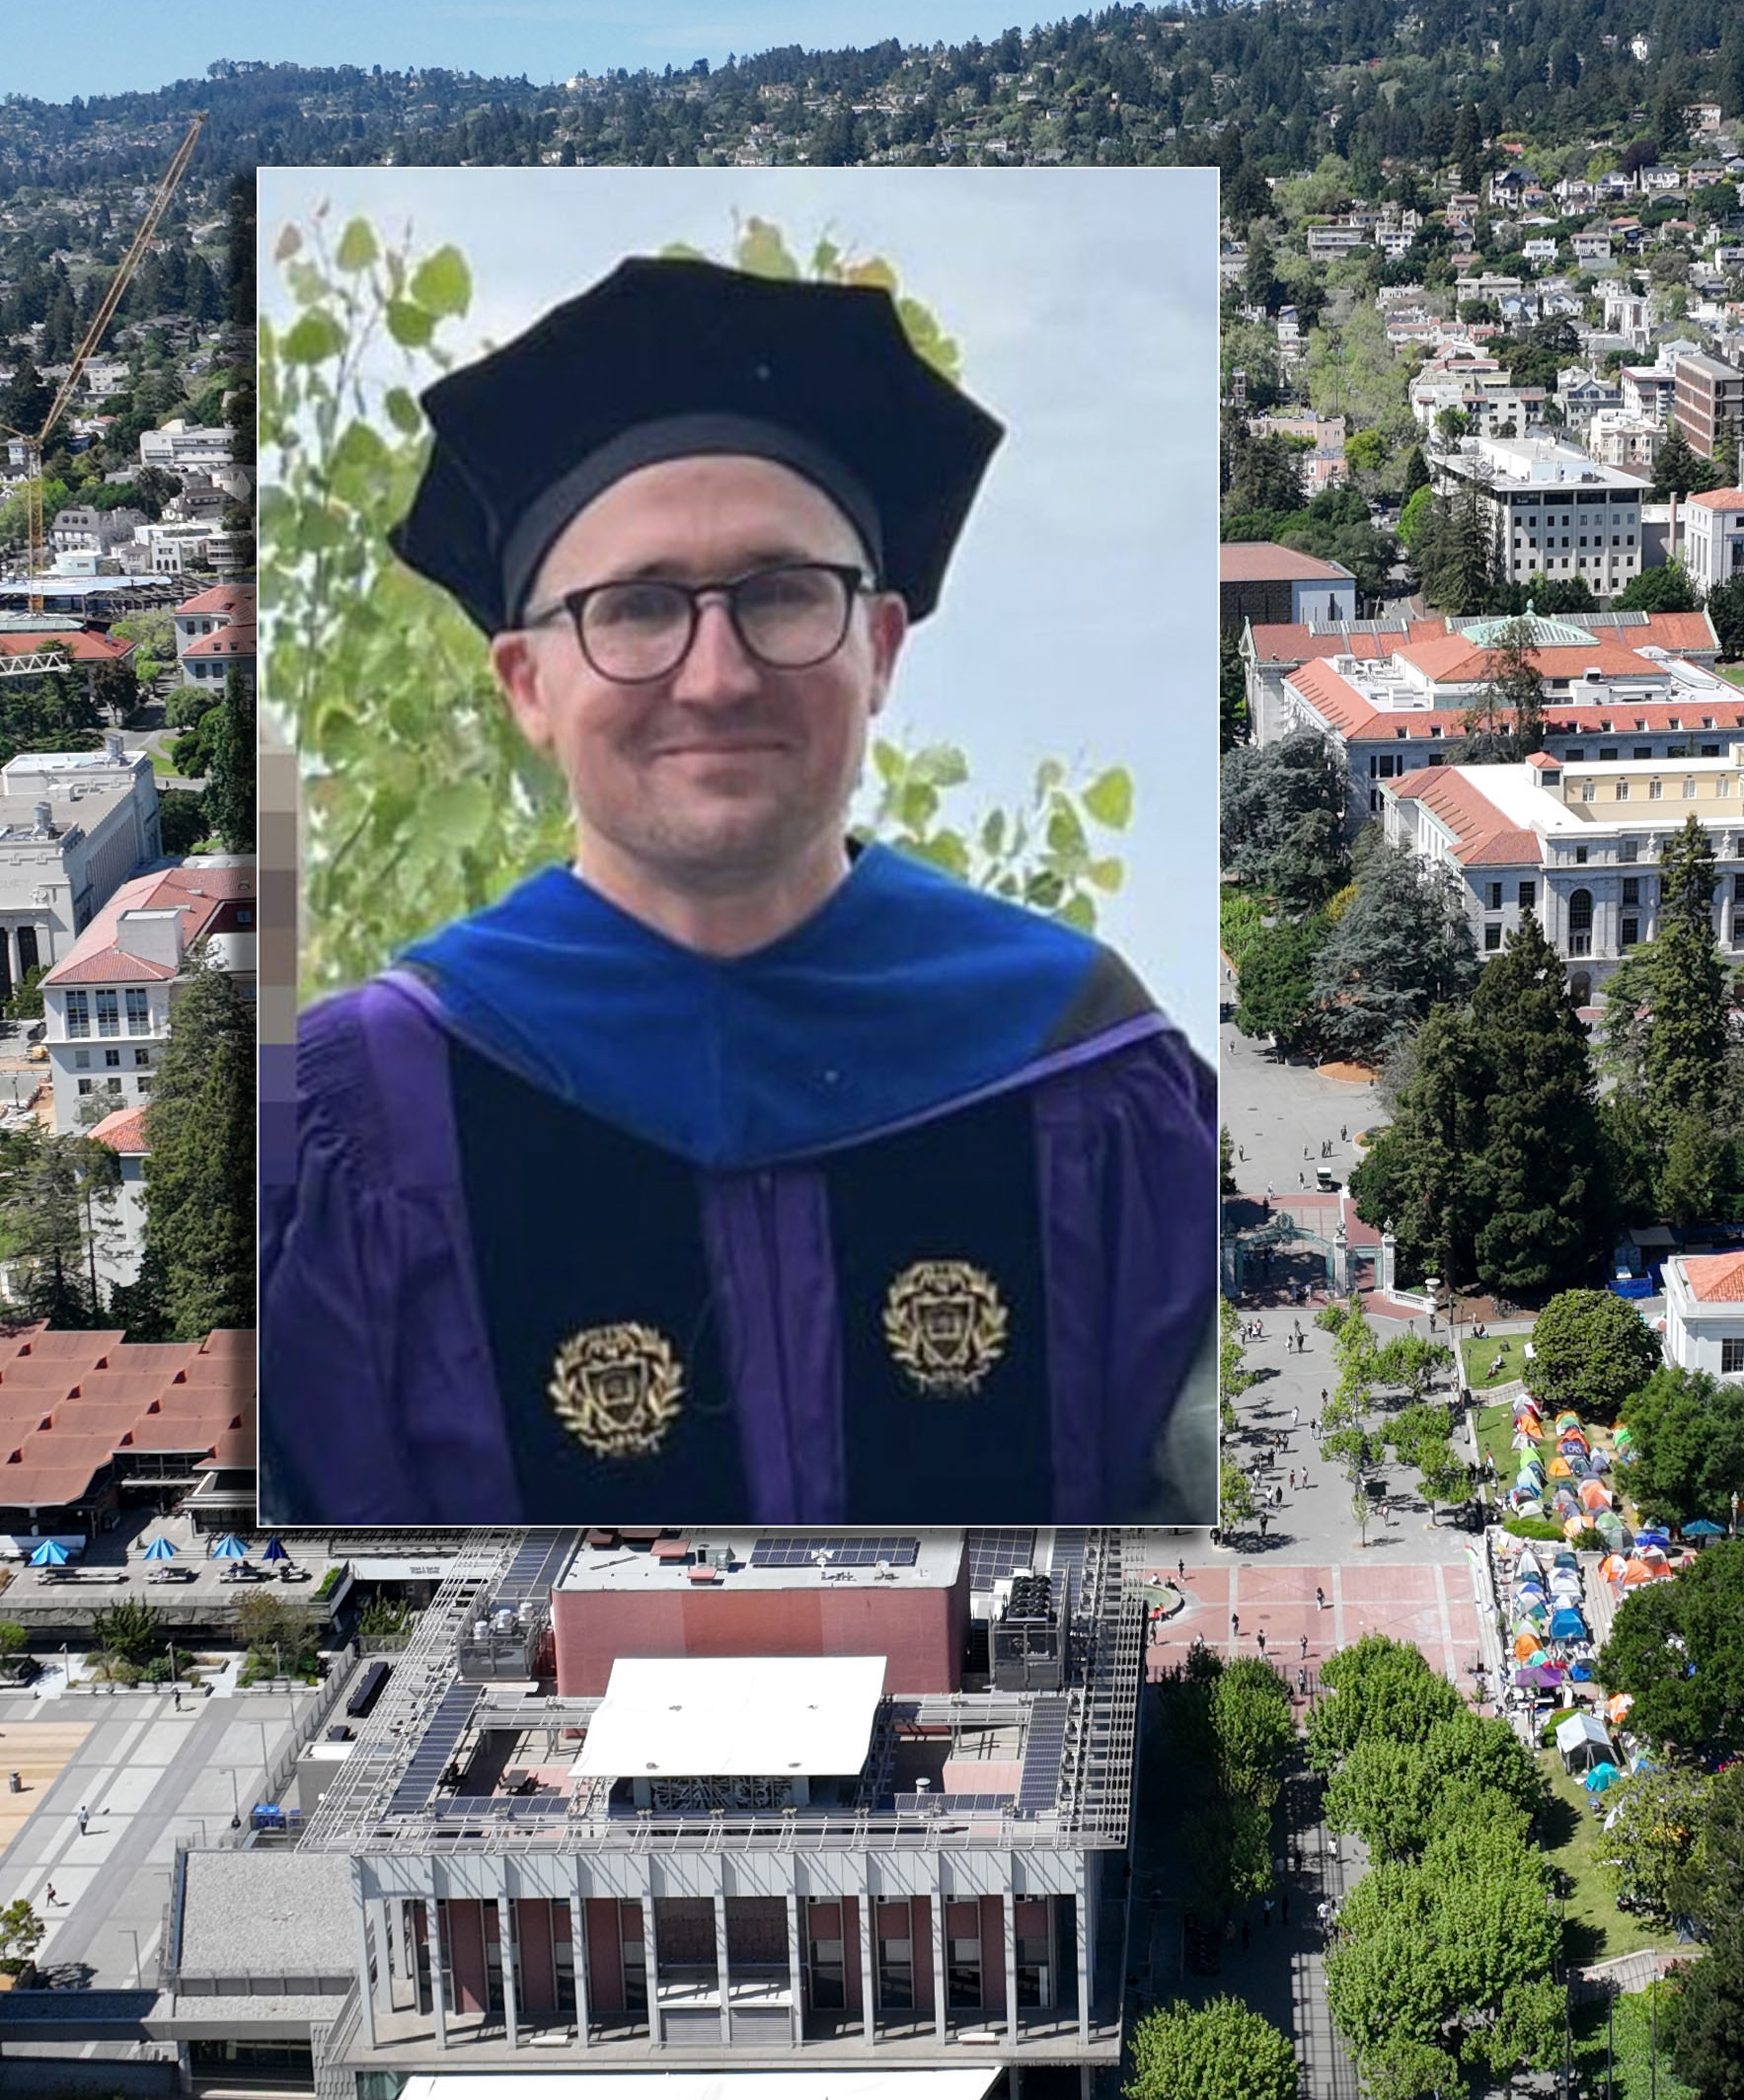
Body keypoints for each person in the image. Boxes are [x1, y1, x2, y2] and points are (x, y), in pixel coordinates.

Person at [263, 258, 1214, 1526]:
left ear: (877, 650)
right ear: (527, 686)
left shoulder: (1085, 1062)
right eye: (636, 608)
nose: (716, 677)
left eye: (781, 595)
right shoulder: (365, 1111)